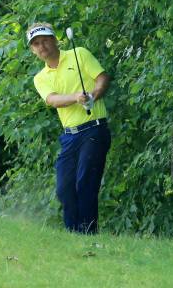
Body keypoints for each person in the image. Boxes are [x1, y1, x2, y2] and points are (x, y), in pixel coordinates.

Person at [27, 22, 111, 234]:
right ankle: (74, 235)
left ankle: (88, 234)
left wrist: (93, 96)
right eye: (36, 44)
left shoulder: (79, 54)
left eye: (45, 40)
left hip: (94, 129)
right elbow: (53, 100)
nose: (42, 46)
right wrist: (76, 97)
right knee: (64, 188)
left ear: (55, 40)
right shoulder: (40, 78)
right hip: (70, 136)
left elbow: (101, 78)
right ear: (32, 50)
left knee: (85, 183)